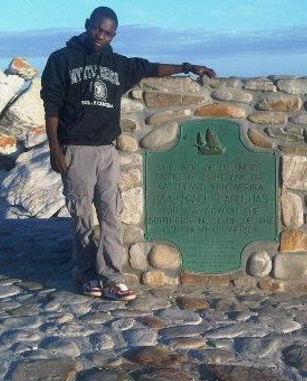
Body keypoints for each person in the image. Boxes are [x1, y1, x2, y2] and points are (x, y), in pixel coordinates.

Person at [41, 6, 216, 301]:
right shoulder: (62, 59)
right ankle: (85, 275)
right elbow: (51, 107)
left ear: (113, 35)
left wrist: (188, 66)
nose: (101, 36)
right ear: (87, 25)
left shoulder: (117, 64)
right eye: (97, 29)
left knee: (111, 215)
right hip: (76, 149)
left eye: (107, 32)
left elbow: (150, 68)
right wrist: (55, 149)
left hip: (107, 151)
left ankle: (112, 277)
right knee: (82, 217)